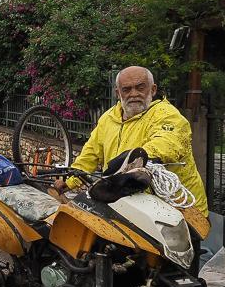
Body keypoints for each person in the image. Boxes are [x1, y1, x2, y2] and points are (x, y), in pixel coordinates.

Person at [55, 66, 208, 214]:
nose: (133, 94)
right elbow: (90, 154)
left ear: (153, 90)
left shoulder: (167, 114)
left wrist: (136, 159)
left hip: (181, 208)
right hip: (134, 205)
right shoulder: (108, 118)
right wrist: (69, 182)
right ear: (117, 93)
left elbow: (168, 142)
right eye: (126, 89)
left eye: (140, 87)